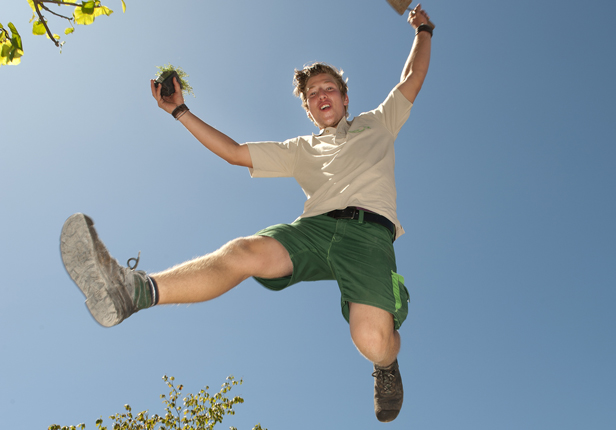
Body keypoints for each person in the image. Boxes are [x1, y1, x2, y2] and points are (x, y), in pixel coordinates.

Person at [60, 5, 433, 423]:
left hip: (369, 235)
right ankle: (134, 292)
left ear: (345, 97)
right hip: (314, 229)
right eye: (312, 94)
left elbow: (412, 78)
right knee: (245, 251)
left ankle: (387, 364)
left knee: (371, 340)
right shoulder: (300, 149)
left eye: (329, 88)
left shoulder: (378, 123)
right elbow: (236, 153)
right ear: (308, 109)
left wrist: (423, 27)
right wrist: (180, 111)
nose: (321, 95)